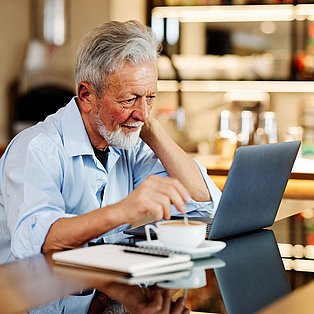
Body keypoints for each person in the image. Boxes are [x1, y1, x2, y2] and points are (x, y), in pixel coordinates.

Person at [0, 20, 221, 262]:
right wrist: (123, 210)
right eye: (129, 99)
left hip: (101, 288)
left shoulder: (128, 142)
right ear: (86, 95)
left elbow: (202, 202)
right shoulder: (36, 149)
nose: (143, 112)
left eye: (150, 97)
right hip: (33, 294)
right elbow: (37, 240)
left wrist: (152, 129)